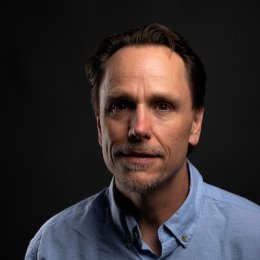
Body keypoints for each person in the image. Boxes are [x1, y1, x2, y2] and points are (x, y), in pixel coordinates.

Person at [25, 23, 260, 259]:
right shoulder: (51, 246)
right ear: (99, 125)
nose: (138, 128)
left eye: (162, 106)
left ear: (195, 123)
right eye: (120, 106)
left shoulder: (254, 237)